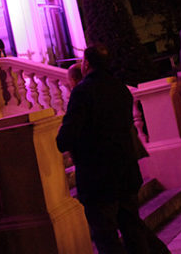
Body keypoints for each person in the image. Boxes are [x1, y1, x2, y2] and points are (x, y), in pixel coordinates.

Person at [56, 46, 167, 254]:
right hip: (126, 173)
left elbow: (65, 139)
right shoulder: (120, 88)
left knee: (106, 237)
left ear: (87, 64)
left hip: (98, 178)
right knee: (133, 230)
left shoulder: (82, 92)